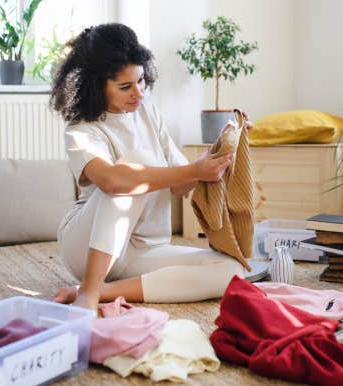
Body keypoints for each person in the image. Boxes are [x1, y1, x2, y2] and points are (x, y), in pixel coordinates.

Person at [49, 23, 253, 313]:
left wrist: (221, 149)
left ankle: (104, 291)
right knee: (130, 173)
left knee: (232, 270)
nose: (139, 93)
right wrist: (194, 171)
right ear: (96, 86)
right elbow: (111, 181)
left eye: (141, 80)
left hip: (145, 249)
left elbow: (180, 184)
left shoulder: (149, 113)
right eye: (125, 87)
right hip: (87, 249)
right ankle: (90, 291)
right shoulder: (81, 129)